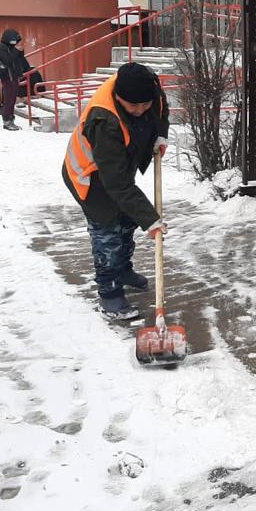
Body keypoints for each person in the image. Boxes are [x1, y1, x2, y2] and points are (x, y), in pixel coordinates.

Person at [62, 62, 170, 321]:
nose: (141, 109)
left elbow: (160, 110)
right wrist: (151, 219)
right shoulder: (104, 120)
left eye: (145, 104)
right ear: (119, 97)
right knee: (107, 233)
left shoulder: (149, 88)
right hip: (90, 177)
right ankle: (109, 292)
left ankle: (123, 270)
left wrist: (160, 136)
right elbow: (118, 185)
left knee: (125, 223)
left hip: (117, 169)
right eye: (134, 106)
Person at [0, 29, 37, 131]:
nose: (16, 43)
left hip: (14, 77)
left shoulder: (11, 48)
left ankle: (11, 119)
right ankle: (7, 121)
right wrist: (16, 51)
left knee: (12, 100)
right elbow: (8, 60)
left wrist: (20, 52)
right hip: (7, 78)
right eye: (15, 40)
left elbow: (21, 62)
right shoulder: (1, 48)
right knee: (9, 100)